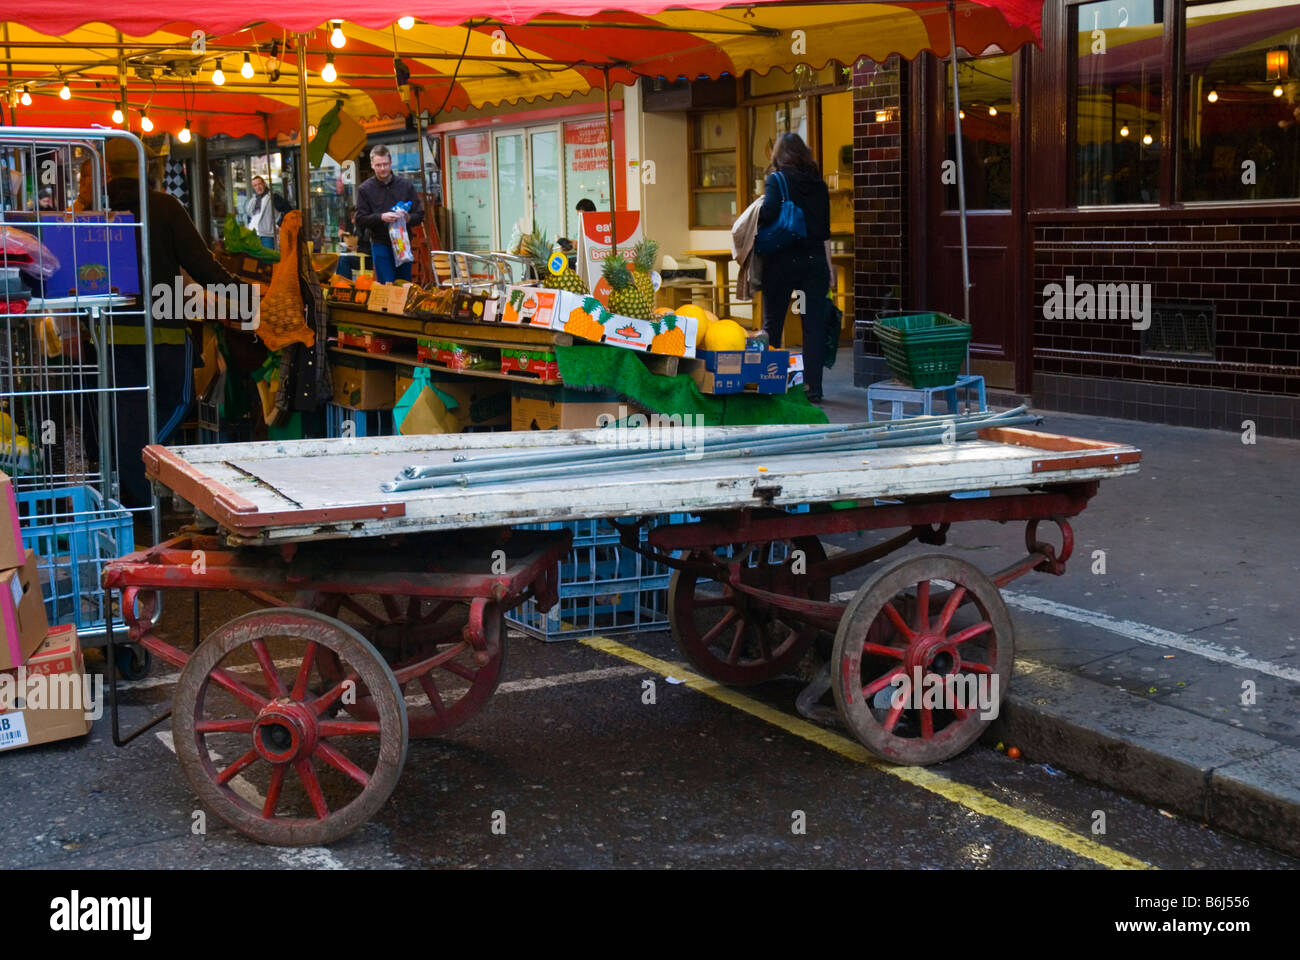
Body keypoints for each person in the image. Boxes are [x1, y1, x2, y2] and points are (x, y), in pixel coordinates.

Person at [103, 137, 250, 508]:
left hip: (110, 336)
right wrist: (248, 300)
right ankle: (143, 481)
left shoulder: (95, 210)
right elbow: (201, 266)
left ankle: (134, 497)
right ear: (145, 168)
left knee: (127, 415)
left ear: (105, 169)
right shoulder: (164, 207)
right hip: (163, 332)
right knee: (178, 403)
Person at [757, 133, 831, 403]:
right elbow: (824, 231)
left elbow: (768, 213)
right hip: (814, 262)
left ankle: (771, 382)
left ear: (778, 154)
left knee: (773, 323)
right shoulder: (819, 185)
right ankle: (814, 388)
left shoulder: (777, 180)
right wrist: (830, 268)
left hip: (782, 260)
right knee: (813, 326)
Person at [354, 144, 424, 283]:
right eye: (378, 165)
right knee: (387, 283)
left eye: (385, 164)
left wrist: (407, 217)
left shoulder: (405, 185)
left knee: (404, 283)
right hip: (380, 242)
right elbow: (359, 219)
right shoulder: (365, 189)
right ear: (372, 165)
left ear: (391, 163)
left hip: (403, 242)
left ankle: (403, 305)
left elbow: (420, 215)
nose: (382, 168)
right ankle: (387, 305)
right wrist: (381, 217)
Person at [246, 176, 277, 248]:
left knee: (267, 258)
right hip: (253, 235)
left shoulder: (273, 197)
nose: (258, 187)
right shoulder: (253, 200)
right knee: (254, 259)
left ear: (264, 184)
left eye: (259, 184)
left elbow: (284, 211)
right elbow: (249, 216)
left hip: (267, 235)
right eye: (255, 185)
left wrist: (277, 226)